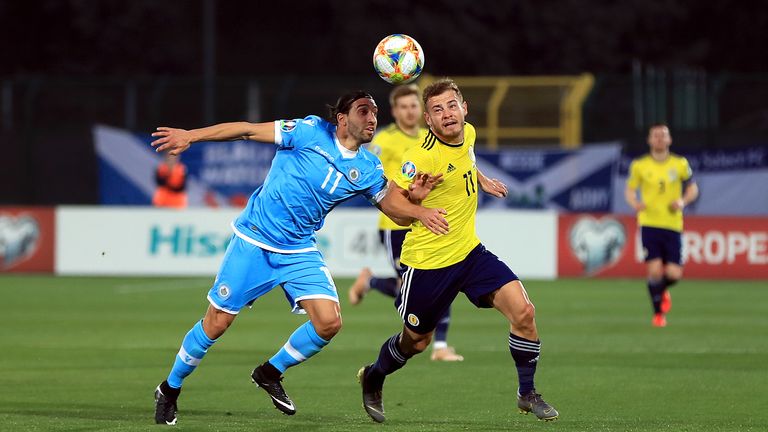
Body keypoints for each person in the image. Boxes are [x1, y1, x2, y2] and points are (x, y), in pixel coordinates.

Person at [148, 91, 449, 426]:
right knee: (216, 323)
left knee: (329, 322)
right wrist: (191, 135)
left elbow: (396, 212)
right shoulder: (308, 131)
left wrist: (416, 206)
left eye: (375, 113)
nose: (372, 119)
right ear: (342, 118)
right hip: (254, 240)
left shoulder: (367, 167)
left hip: (299, 250)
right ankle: (169, 389)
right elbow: (247, 130)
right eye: (363, 111)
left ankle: (269, 371)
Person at [357, 78, 559, 423]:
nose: (447, 114)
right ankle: (375, 375)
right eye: (437, 110)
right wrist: (418, 206)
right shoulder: (420, 155)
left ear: (464, 108)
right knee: (416, 342)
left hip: (470, 254)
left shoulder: (470, 133)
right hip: (428, 264)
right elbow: (391, 202)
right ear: (428, 119)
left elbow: (464, 157)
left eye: (452, 106)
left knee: (524, 313)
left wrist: (482, 180)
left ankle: (527, 393)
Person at [349, 84, 463, 362]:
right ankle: (373, 282)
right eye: (403, 106)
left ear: (421, 111)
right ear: (395, 110)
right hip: (396, 225)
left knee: (441, 278)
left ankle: (440, 346)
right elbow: (368, 173)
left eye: (414, 106)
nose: (409, 111)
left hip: (427, 222)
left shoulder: (430, 137)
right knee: (408, 285)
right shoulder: (384, 140)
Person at [625, 124, 698, 327]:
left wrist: (683, 201)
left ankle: (659, 290)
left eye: (663, 135)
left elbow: (693, 188)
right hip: (649, 223)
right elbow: (630, 191)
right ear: (649, 140)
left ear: (669, 140)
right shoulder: (640, 166)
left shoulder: (680, 164)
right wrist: (635, 204)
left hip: (673, 224)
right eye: (655, 136)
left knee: (674, 274)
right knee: (655, 271)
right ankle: (658, 315)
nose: (659, 139)